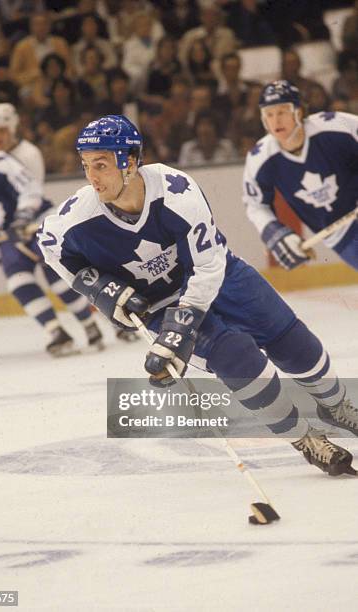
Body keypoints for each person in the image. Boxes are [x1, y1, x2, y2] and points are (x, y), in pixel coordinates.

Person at [38, 114, 358, 477]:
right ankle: (305, 437)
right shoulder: (75, 219)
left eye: (101, 164)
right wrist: (99, 289)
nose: (92, 177)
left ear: (130, 161)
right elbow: (49, 247)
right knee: (238, 357)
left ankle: (337, 405)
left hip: (220, 276)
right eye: (86, 166)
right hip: (159, 304)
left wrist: (181, 329)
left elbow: (206, 268)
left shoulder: (176, 190)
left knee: (294, 343)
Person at [0, 123, 103, 358]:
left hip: (38, 222)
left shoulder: (0, 164)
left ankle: (89, 325)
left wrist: (22, 217)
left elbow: (31, 189)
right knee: (17, 280)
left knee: (55, 274)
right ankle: (56, 332)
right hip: (9, 234)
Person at [243, 80, 358, 271]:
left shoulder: (335, 126)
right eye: (269, 114)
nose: (276, 120)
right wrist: (276, 234)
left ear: (299, 111)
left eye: (282, 111)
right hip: (342, 235)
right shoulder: (260, 158)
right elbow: (255, 206)